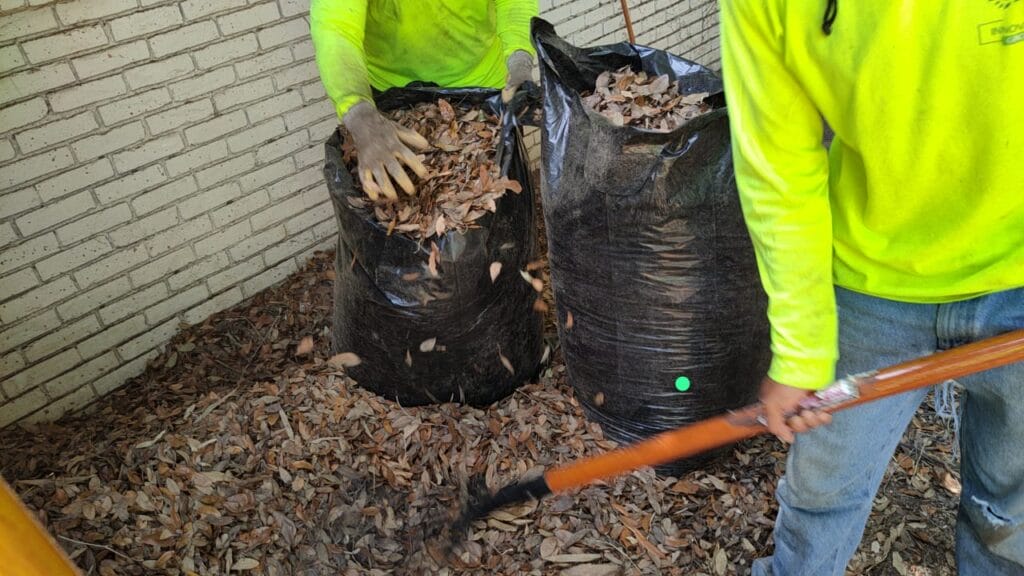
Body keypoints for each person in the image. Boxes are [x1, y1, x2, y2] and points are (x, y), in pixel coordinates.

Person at [719, 1, 1024, 574]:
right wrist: (801, 350)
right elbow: (778, 170)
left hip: (1019, 278)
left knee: (1011, 516)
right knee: (820, 496)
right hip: (868, 287)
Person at [310, 0, 537, 201]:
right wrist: (358, 111)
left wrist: (519, 55)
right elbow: (336, 27)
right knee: (406, 200)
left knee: (501, 196)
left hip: (484, 83)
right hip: (394, 101)